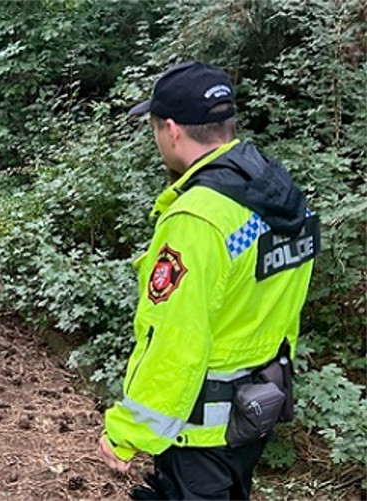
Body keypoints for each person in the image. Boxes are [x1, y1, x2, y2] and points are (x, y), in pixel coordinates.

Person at [98, 61, 320, 500]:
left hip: (201, 432)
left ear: (173, 130)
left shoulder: (197, 219)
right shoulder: (280, 194)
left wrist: (127, 434)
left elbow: (176, 342)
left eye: (156, 128)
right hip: (257, 409)